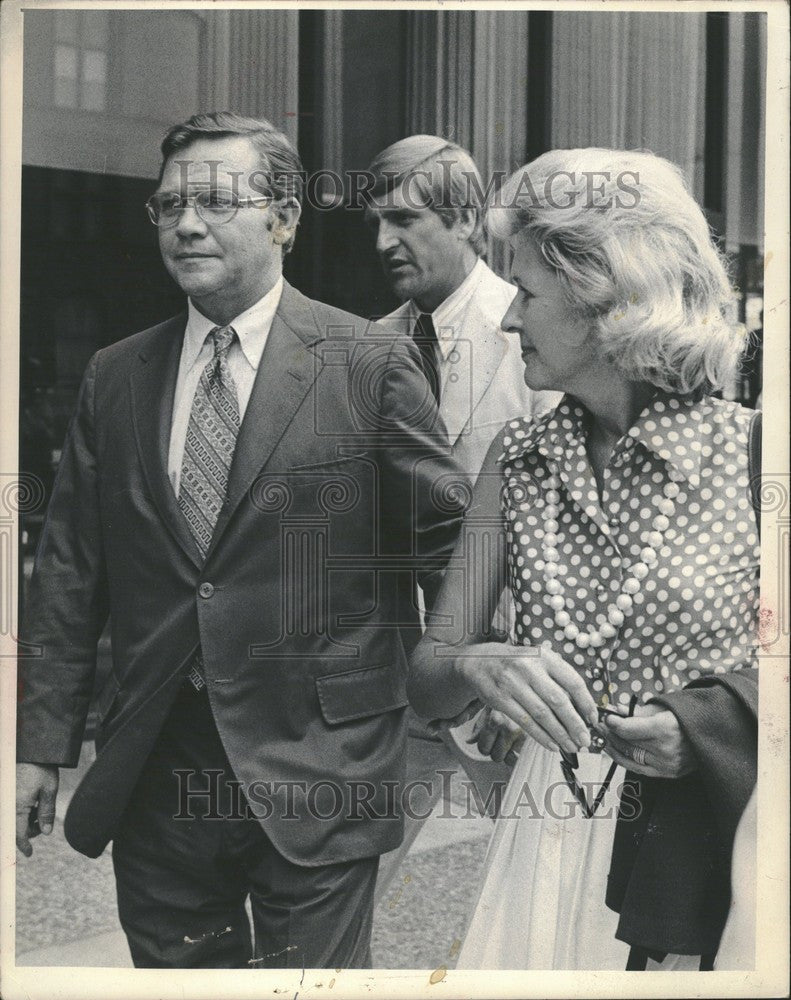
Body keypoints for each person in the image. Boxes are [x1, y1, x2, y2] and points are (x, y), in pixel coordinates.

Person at [16, 112, 466, 969]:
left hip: (321, 758)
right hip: (157, 766)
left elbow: (453, 542)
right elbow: (71, 570)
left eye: (216, 201)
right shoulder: (117, 374)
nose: (186, 223)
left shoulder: (366, 362)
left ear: (285, 219)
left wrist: (452, 685)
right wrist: (40, 746)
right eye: (168, 205)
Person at [407, 148, 760, 969]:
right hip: (542, 830)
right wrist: (478, 666)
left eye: (526, 293)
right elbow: (425, 675)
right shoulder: (516, 456)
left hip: (698, 834)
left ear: (606, 298)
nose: (505, 319)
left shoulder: (753, 454)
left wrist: (709, 730)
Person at [364, 135, 560, 900]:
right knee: (349, 893)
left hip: (511, 680)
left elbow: (560, 512)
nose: (385, 242)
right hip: (396, 680)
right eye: (376, 223)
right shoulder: (368, 348)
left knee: (536, 897)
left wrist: (528, 658)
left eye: (406, 220)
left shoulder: (536, 332)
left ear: (468, 218)